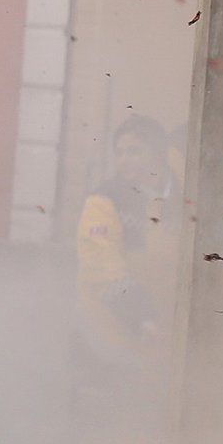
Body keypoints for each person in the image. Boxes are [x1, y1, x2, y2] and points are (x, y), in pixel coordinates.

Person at [73, 113, 181, 419]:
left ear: (158, 153)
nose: (123, 160)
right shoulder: (103, 202)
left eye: (134, 151)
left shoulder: (187, 202)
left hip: (163, 350)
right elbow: (101, 269)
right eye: (118, 152)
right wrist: (142, 317)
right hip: (106, 345)